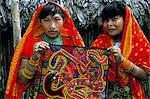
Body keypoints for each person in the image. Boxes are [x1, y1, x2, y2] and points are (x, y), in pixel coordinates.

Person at [5, 2, 85, 98]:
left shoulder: (72, 43)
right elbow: (22, 80)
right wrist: (34, 58)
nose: (52, 26)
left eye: (57, 20)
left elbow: (82, 73)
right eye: (46, 20)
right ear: (40, 22)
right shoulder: (31, 43)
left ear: (64, 20)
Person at [91, 1, 150, 98]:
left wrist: (123, 60)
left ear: (125, 20)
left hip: (130, 95)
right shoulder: (99, 42)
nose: (109, 24)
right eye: (106, 20)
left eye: (114, 19)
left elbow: (144, 75)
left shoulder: (138, 42)